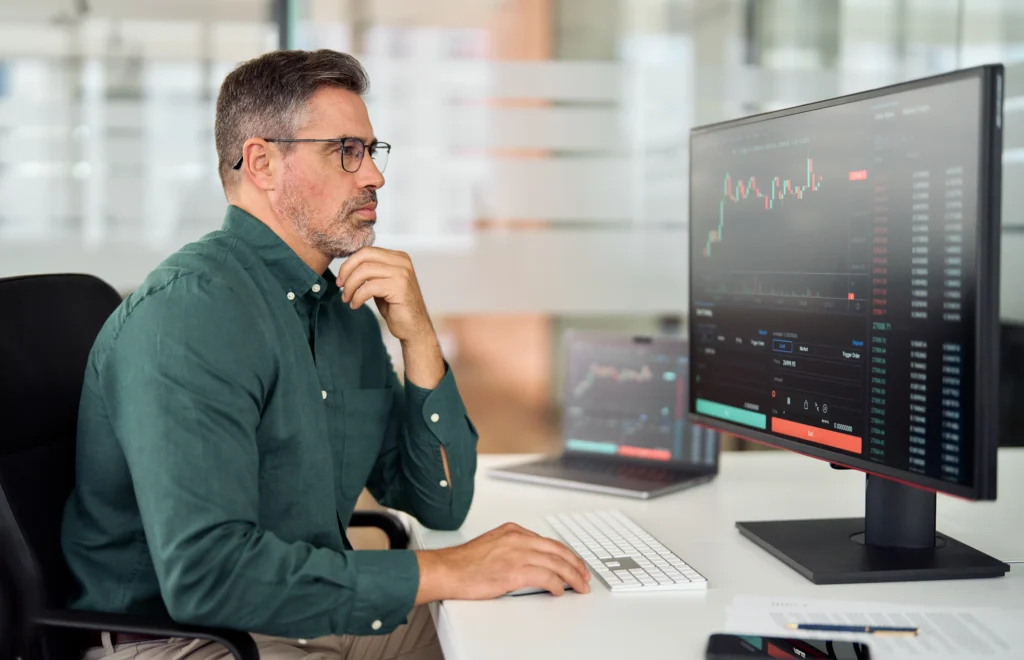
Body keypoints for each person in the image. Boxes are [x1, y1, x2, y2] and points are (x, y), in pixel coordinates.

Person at [61, 49, 591, 660]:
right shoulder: (189, 317)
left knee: (534, 631)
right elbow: (209, 577)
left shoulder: (345, 311)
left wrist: (418, 338)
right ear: (261, 162)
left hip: (305, 610)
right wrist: (449, 571)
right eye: (346, 151)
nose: (374, 176)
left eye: (371, 150)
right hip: (181, 641)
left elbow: (439, 501)